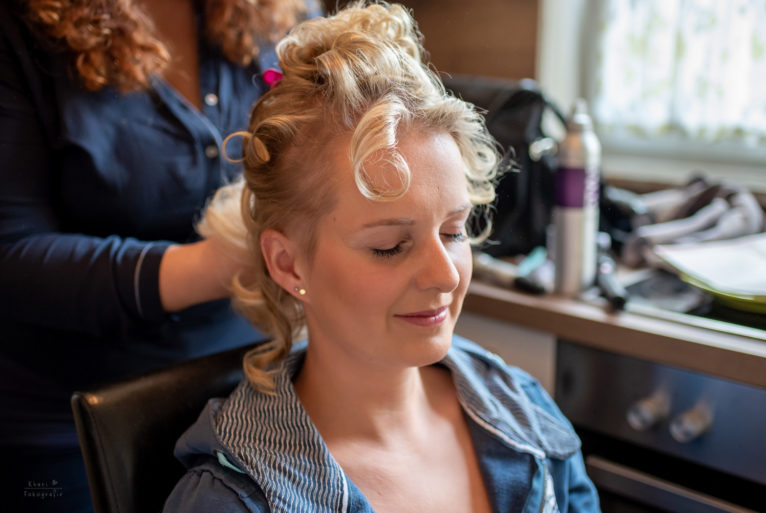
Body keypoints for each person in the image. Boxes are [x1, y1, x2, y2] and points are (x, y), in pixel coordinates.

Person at [164, 2, 600, 512]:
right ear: (288, 264)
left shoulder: (525, 412)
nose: (444, 275)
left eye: (453, 231)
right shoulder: (236, 500)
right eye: (389, 246)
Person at [0, 0, 321, 511]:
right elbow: (12, 254)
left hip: (258, 388)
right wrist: (220, 264)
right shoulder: (18, 32)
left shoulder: (282, 11)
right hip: (72, 427)